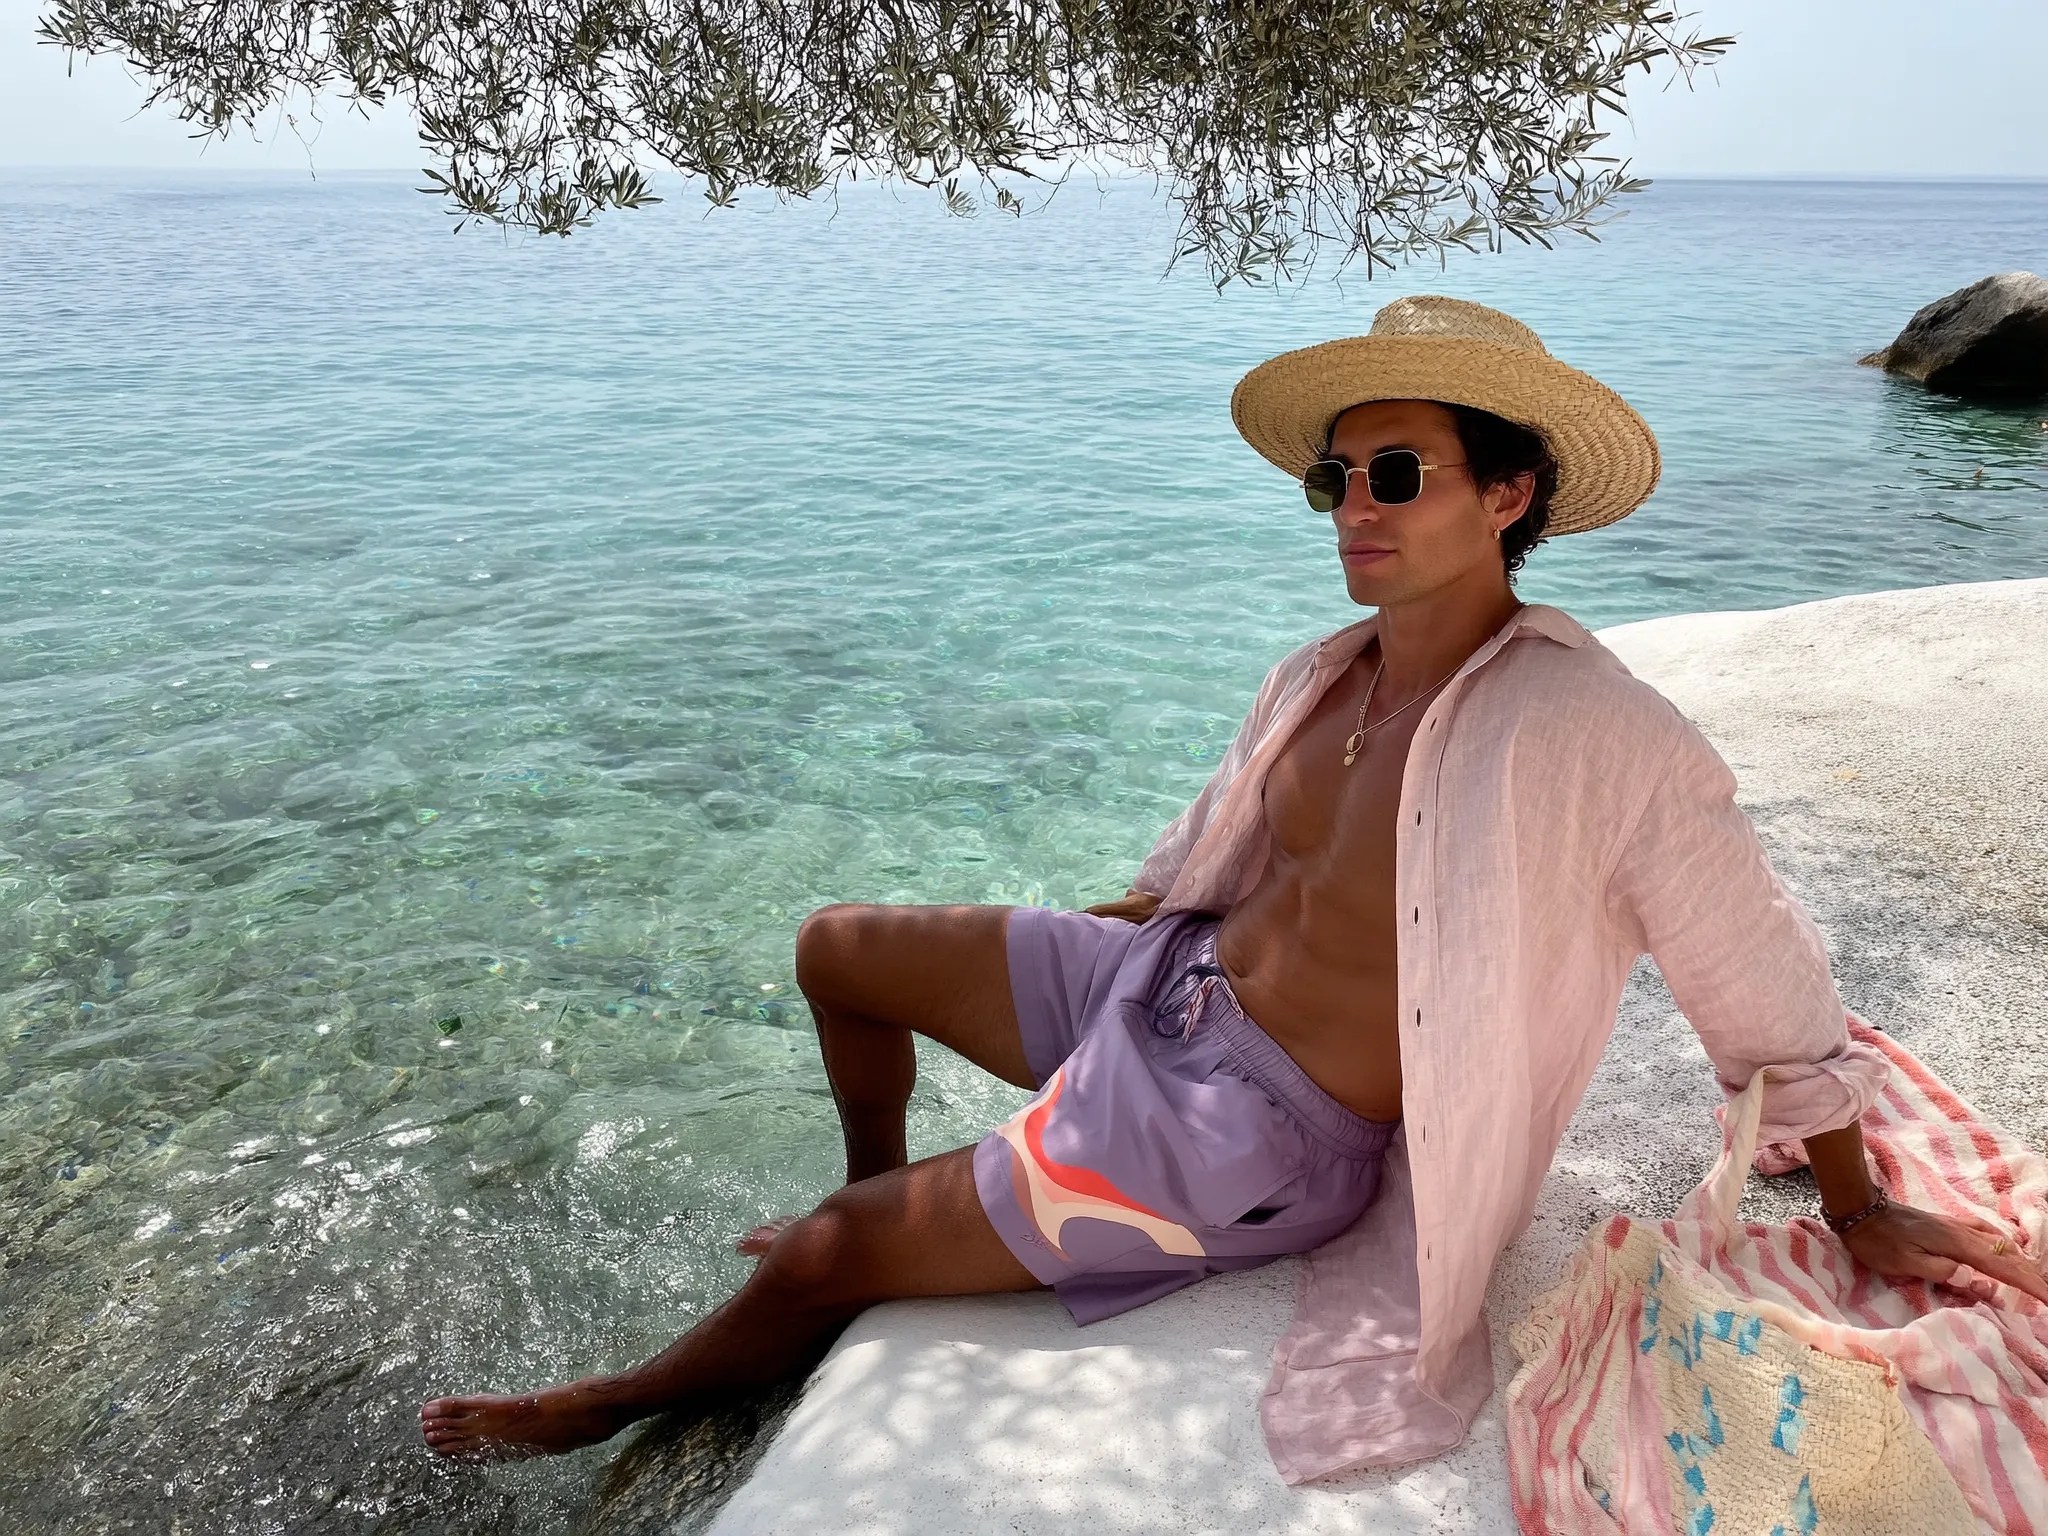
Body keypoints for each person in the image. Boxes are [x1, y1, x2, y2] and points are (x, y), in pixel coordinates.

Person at [421, 296, 2048, 1462]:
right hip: (1170, 986)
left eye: (1394, 474)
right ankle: (888, 1185)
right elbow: (1222, 856)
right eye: (1332, 479)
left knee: (825, 1258)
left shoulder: (1591, 732)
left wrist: (1851, 1195)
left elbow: (1751, 969)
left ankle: (634, 1392)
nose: (1353, 506)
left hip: (1255, 1130)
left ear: (1510, 493)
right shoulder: (1323, 671)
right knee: (838, 946)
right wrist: (1105, 935)